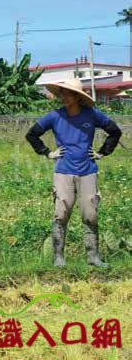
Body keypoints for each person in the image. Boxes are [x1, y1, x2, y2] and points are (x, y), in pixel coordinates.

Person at [25, 79, 122, 268]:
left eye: (67, 93)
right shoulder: (54, 116)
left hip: (88, 171)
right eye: (62, 93)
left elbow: (114, 131)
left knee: (90, 214)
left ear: (77, 96)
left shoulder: (92, 115)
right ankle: (58, 257)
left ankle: (93, 257)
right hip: (63, 171)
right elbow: (31, 134)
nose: (64, 97)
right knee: (60, 213)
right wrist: (48, 152)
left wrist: (102, 152)